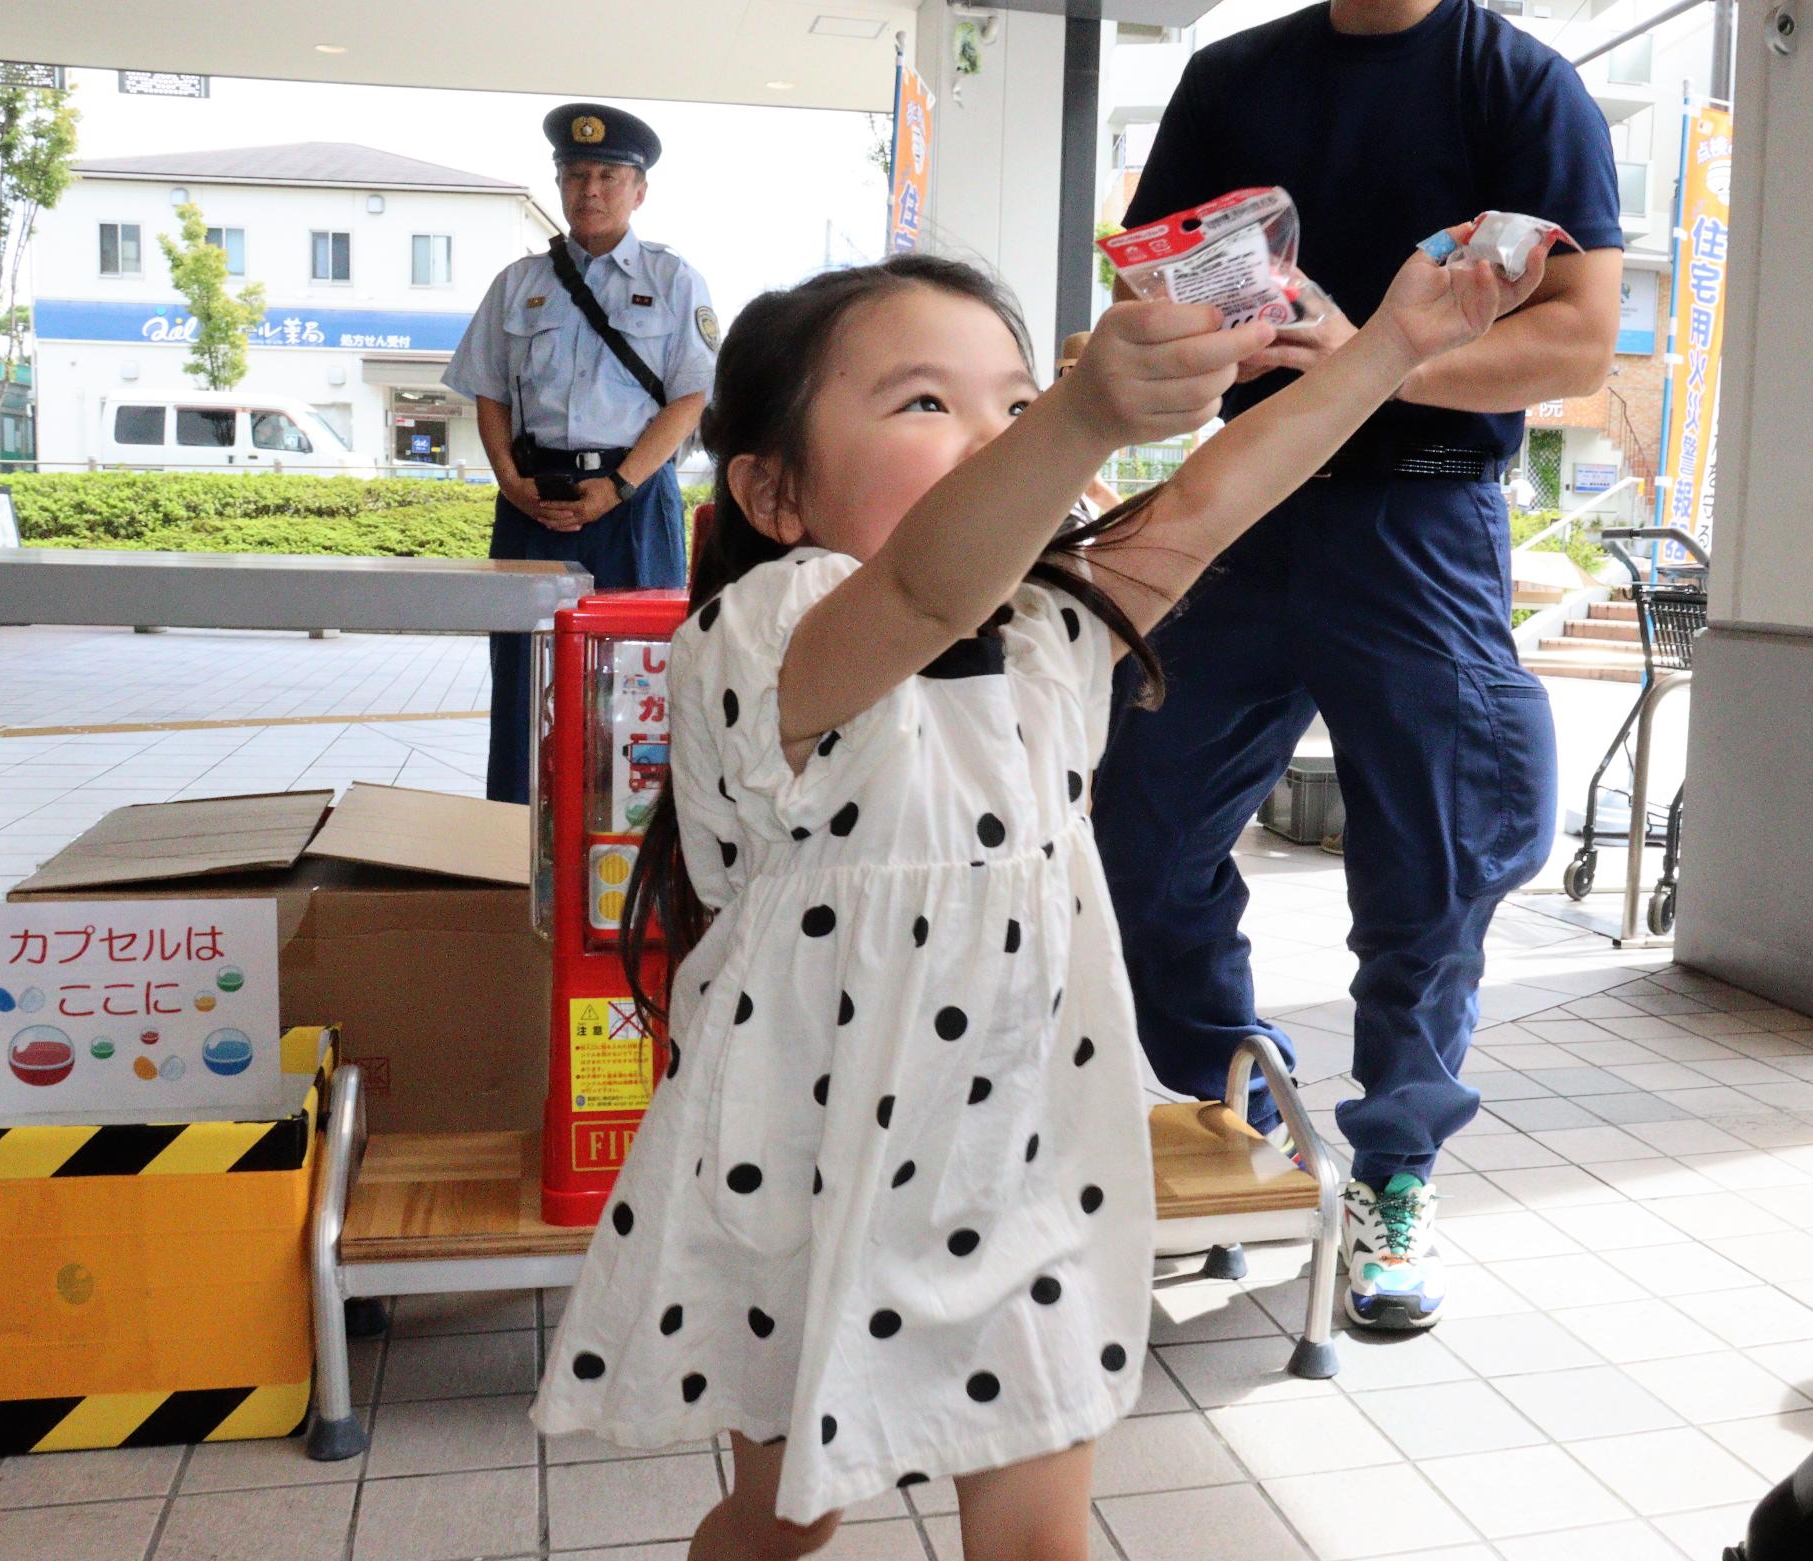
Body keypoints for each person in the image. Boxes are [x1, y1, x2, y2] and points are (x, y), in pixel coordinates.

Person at [531, 233, 1541, 1556]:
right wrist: (1076, 418)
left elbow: (1213, 497)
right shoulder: (773, 624)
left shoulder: (1053, 621)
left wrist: (1394, 350)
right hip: (809, 1162)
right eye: (925, 402)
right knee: (786, 1523)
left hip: (1022, 1153)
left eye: (1011, 399)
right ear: (776, 493)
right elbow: (920, 584)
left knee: (1040, 1544)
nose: (996, 433)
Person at [1093, 0, 1625, 1333]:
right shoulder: (1230, 78)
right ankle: (1244, 1125)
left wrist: (1368, 366)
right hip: (1243, 498)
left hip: (1423, 513)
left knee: (1431, 871)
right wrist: (1190, 320)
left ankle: (1393, 1174)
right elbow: (1146, 273)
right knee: (1136, 830)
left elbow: (1575, 337)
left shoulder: (1519, 84)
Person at [445, 102, 717, 803]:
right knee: (520, 670)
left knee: (635, 672)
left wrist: (620, 486)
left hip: (632, 504)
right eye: (573, 174)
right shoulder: (519, 284)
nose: (588, 189)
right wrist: (508, 480)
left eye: (605, 174)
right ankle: (511, 831)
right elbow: (489, 391)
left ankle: (629, 832)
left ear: (639, 190)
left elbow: (692, 396)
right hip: (533, 502)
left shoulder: (673, 280)